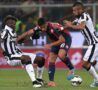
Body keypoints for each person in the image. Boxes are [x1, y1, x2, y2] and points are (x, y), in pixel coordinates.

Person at [18, 17, 75, 87]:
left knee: (61, 55)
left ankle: (71, 68)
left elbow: (62, 40)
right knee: (51, 60)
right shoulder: (41, 27)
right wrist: (20, 38)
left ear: (46, 23)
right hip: (56, 41)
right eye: (41, 28)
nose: (43, 29)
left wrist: (50, 45)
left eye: (44, 27)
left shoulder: (53, 28)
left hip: (65, 39)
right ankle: (51, 82)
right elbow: (30, 32)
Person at [0, 15, 45, 88]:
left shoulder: (13, 32)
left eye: (14, 22)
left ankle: (39, 79)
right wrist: (4, 52)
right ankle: (34, 82)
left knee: (41, 59)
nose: (14, 24)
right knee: (26, 58)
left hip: (19, 54)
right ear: (7, 23)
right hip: (11, 57)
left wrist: (32, 37)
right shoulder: (5, 32)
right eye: (12, 22)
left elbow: (20, 41)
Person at [65, 2, 98, 87]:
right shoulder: (79, 18)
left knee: (85, 64)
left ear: (80, 10)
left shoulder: (84, 15)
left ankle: (97, 80)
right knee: (93, 62)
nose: (73, 12)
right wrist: (60, 27)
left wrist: (70, 25)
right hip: (93, 43)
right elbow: (71, 24)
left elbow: (81, 26)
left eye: (75, 10)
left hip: (94, 43)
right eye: (73, 11)